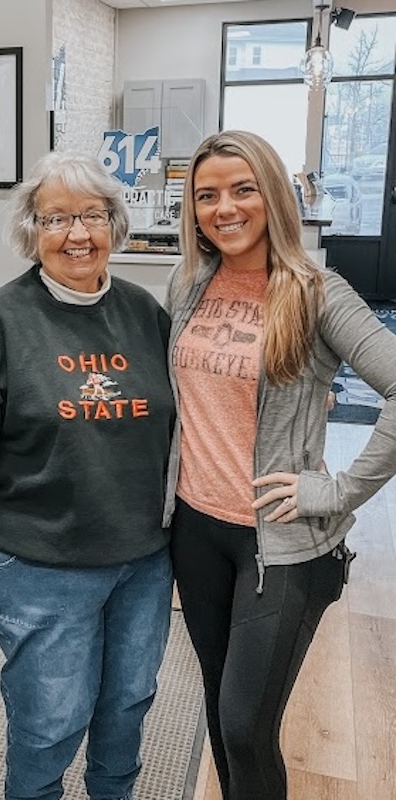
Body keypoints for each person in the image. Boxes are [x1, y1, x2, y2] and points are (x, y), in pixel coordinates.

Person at [165, 129, 396, 800]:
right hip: (196, 532)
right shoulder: (191, 285)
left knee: (244, 724)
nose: (224, 208)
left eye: (242, 189)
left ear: (271, 195)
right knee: (216, 702)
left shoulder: (316, 290)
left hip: (284, 546)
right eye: (206, 195)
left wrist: (338, 490)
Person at [0, 151, 175, 800]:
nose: (77, 234)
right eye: (57, 219)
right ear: (31, 231)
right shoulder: (1, 320)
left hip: (144, 561)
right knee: (49, 724)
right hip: (42, 563)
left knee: (127, 707)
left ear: (115, 224)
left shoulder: (144, 313)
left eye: (93, 216)